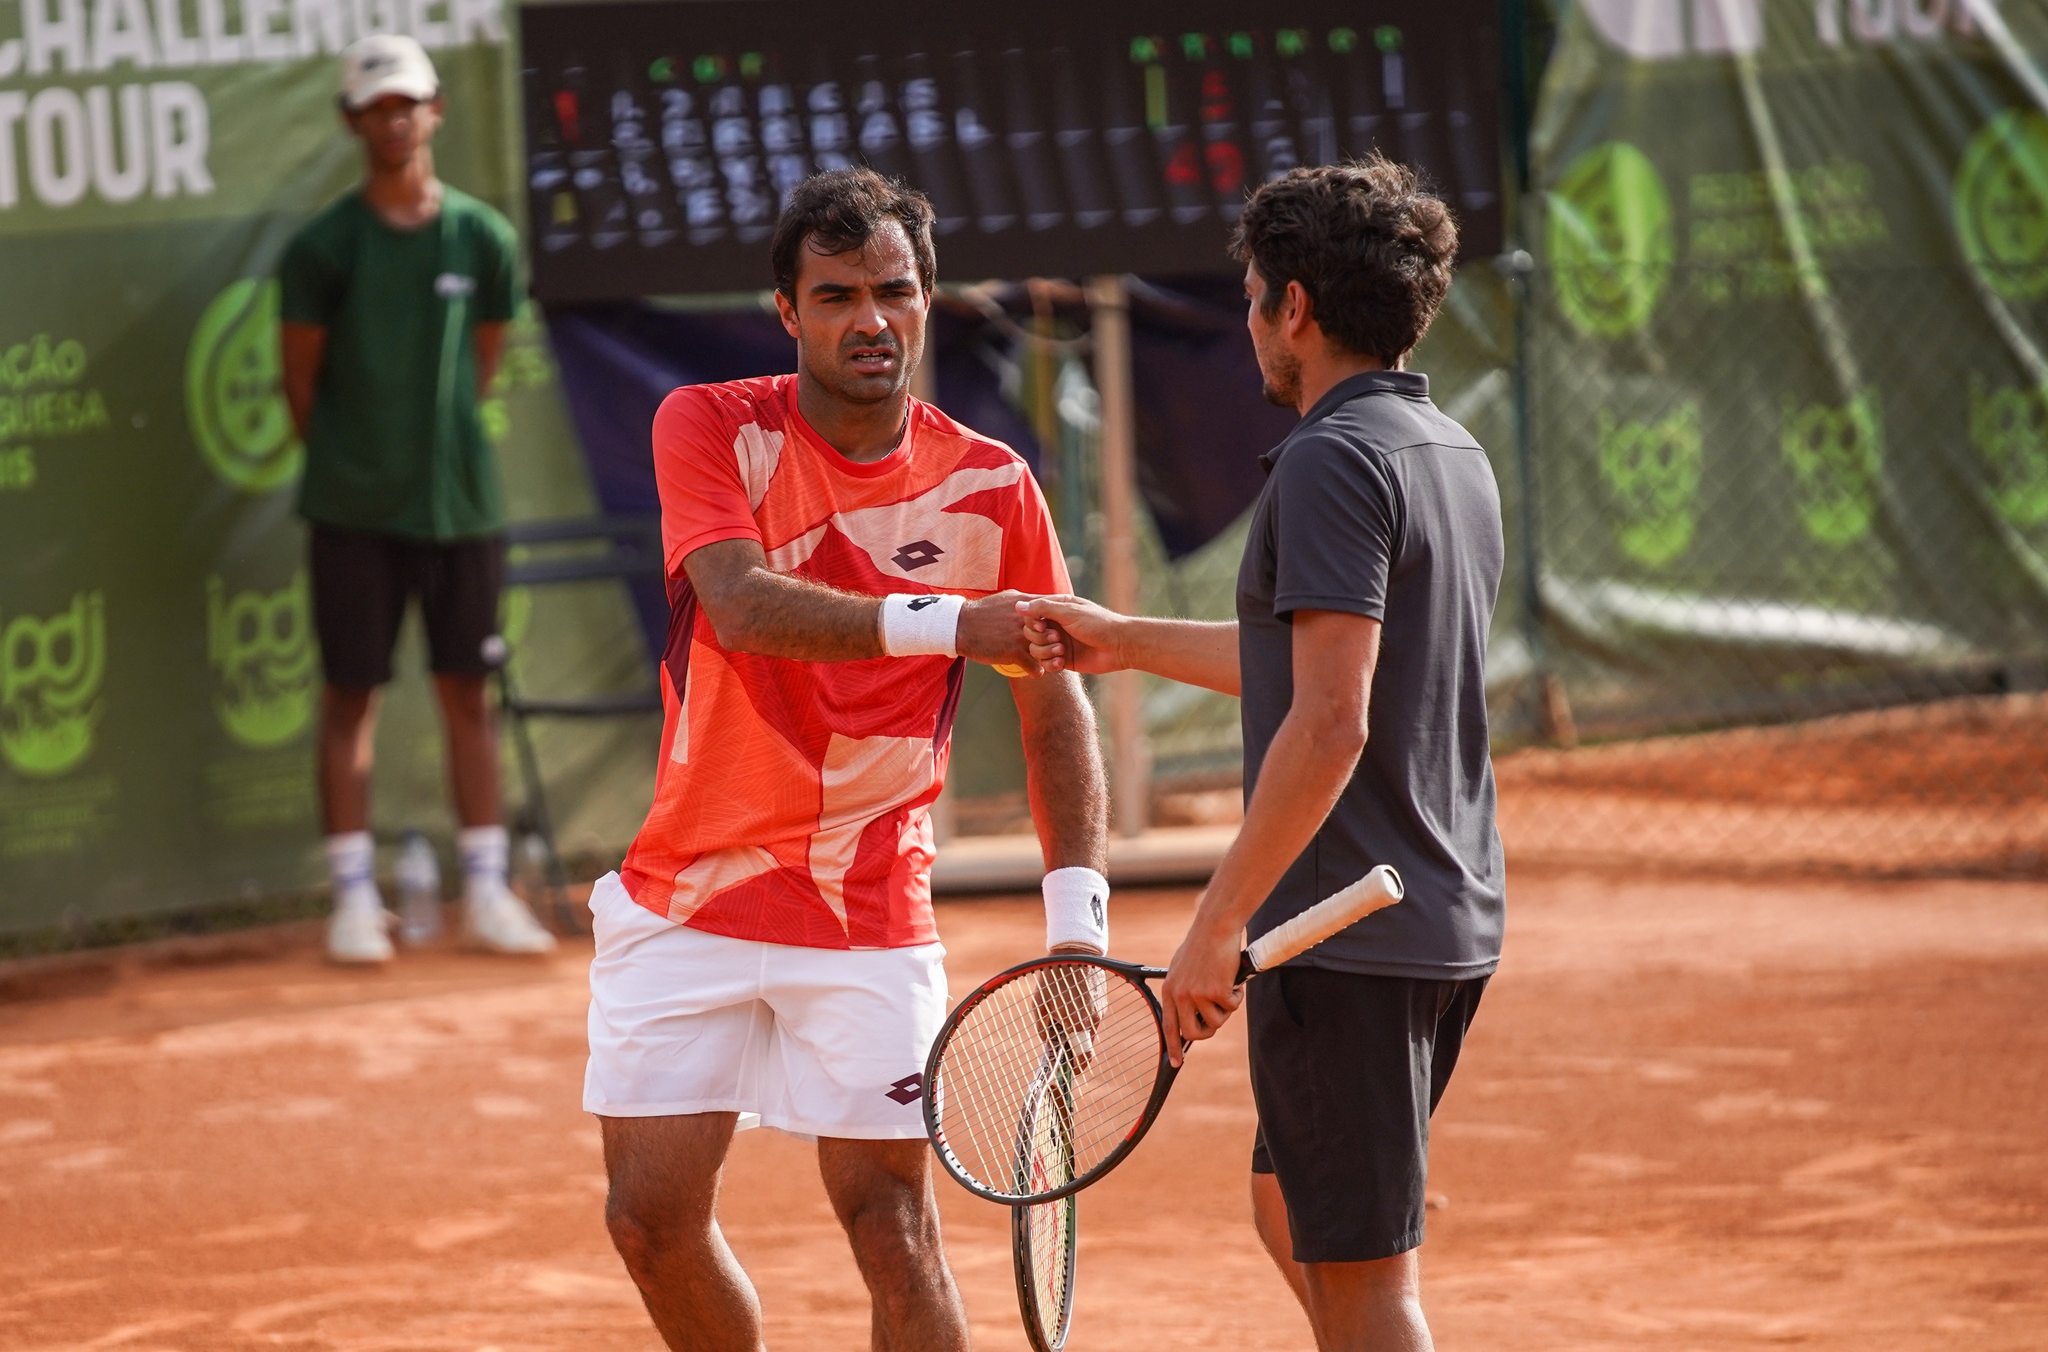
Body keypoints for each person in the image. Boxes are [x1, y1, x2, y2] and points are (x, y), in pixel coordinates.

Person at [586, 168, 1110, 1352]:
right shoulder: (710, 426)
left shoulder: (993, 485)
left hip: (870, 906)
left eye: (894, 290)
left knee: (891, 1227)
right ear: (788, 311)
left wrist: (1076, 927)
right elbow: (738, 607)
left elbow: (1052, 710)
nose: (868, 320)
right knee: (649, 1222)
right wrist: (947, 624)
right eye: (835, 296)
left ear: (928, 301)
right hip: (691, 889)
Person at [1025, 159, 1504, 1352]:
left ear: (1292, 307)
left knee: (1365, 1285)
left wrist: (1213, 923)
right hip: (1428, 913)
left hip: (1341, 931)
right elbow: (1313, 668)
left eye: (1249, 299)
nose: (1247, 327)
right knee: (1286, 1208)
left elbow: (1330, 720)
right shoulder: (1445, 451)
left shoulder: (1327, 461)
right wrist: (1124, 641)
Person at [279, 34, 556, 964]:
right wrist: (367, 466)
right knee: (349, 696)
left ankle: (484, 888)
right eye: (377, 105)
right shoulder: (322, 248)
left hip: (462, 509)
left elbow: (482, 362)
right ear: (353, 121)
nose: (395, 120)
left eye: (409, 102)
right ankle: (353, 899)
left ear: (433, 110)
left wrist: (430, 458)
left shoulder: (483, 237)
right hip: (352, 510)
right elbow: (300, 390)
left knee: (466, 695)